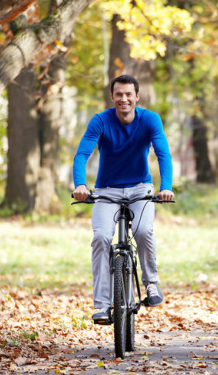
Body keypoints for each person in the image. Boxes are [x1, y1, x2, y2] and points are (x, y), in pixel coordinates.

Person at [72, 74, 175, 322]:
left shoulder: (150, 120)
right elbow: (81, 155)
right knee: (101, 238)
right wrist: (81, 185)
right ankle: (101, 305)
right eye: (119, 94)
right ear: (112, 97)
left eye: (129, 94)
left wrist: (166, 187)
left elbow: (163, 155)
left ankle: (151, 284)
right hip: (107, 191)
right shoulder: (100, 121)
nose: (124, 99)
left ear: (137, 97)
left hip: (140, 189)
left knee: (142, 231)